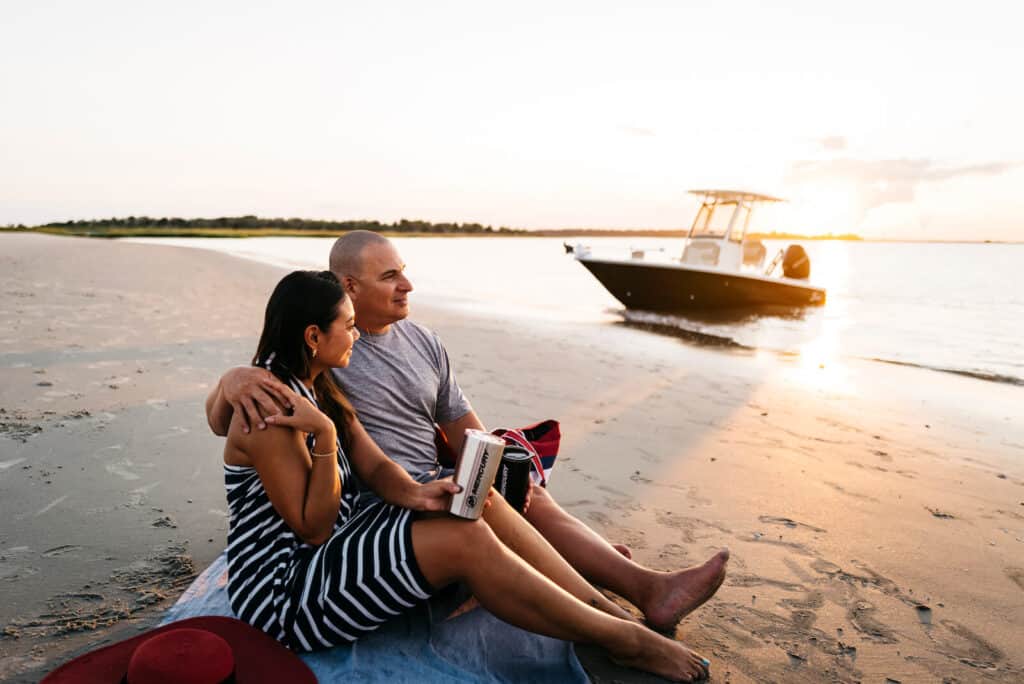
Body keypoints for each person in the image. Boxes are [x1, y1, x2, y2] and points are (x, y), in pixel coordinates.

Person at [207, 231, 728, 633]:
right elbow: (234, 413)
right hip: (377, 504)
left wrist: (494, 471)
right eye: (390, 276)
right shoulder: (330, 353)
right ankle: (608, 601)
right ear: (349, 289)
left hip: (429, 480)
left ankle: (628, 590)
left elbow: (463, 424)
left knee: (522, 495)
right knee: (497, 514)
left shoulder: (421, 341)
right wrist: (231, 381)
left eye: (404, 272)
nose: (407, 286)